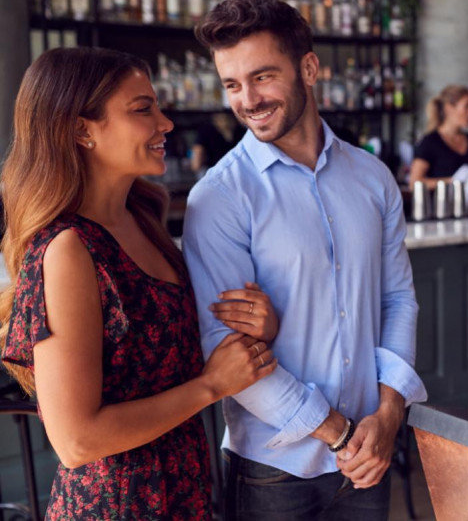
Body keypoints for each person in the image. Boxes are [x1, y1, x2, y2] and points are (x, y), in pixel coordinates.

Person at [0, 47, 278, 519]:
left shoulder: (144, 218)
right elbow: (76, 440)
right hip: (116, 507)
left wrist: (257, 328)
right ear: (81, 130)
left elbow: (174, 356)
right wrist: (211, 386)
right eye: (142, 109)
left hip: (184, 494)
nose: (165, 123)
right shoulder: (67, 249)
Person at [188, 0, 426, 520]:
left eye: (262, 77)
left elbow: (397, 300)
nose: (247, 99)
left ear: (309, 68)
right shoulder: (220, 197)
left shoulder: (373, 178)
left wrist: (388, 415)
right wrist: (338, 433)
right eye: (232, 84)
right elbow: (227, 348)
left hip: (369, 454)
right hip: (275, 470)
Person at [408, 84, 468, 189]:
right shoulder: (429, 142)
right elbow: (414, 183)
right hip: (441, 204)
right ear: (449, 108)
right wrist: (453, 181)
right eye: (467, 106)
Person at [190, 111, 246, 176]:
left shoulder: (206, 132)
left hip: (215, 173)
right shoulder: (243, 132)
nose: (225, 123)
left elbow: (197, 160)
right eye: (221, 119)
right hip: (238, 172)